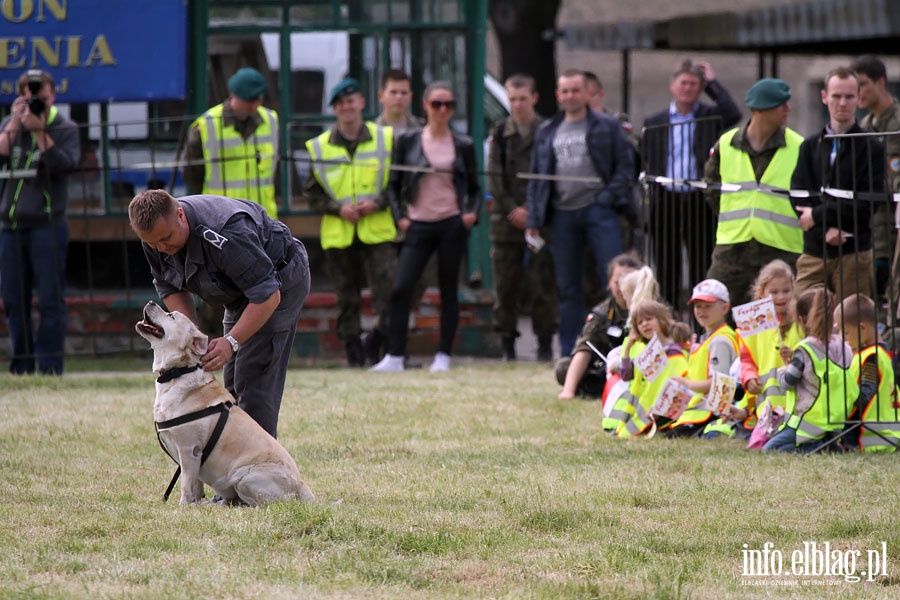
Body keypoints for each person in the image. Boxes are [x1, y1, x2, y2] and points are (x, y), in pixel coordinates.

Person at [128, 190, 311, 439]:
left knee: (253, 380)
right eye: (152, 244)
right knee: (233, 384)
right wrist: (192, 334)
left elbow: (267, 294)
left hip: (280, 280)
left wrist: (231, 342)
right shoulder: (155, 234)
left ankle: (259, 468)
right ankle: (235, 460)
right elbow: (169, 286)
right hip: (240, 291)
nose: (161, 248)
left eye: (166, 238)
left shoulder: (226, 233)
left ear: (180, 215)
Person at [370, 81, 482, 373]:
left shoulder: (464, 144)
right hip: (418, 224)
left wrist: (471, 214)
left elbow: (476, 188)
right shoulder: (408, 140)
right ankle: (394, 355)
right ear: (425, 105)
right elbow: (393, 185)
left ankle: (443, 355)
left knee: (447, 291)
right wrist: (400, 218)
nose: (443, 110)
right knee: (400, 288)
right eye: (437, 104)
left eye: (449, 105)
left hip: (451, 223)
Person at [526, 68, 634, 357]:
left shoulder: (606, 125)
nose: (571, 96)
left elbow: (626, 167)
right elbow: (537, 178)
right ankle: (571, 351)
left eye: (576, 90)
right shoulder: (548, 130)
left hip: (600, 212)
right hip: (562, 215)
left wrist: (607, 198)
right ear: (558, 95)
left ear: (588, 93)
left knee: (615, 282)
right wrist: (534, 220)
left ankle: (620, 347)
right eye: (565, 91)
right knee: (567, 287)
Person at [304, 78, 397, 367]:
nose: (347, 106)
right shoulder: (318, 146)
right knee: (347, 297)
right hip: (340, 231)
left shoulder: (385, 138)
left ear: (362, 103)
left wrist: (377, 204)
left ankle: (380, 344)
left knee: (388, 291)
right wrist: (337, 209)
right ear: (334, 108)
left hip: (377, 228)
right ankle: (354, 353)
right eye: (341, 103)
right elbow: (312, 193)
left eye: (351, 100)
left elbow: (396, 183)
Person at [641, 59, 741, 308]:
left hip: (698, 199)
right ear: (672, 85)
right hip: (666, 198)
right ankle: (668, 317)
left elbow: (733, 113)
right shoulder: (654, 121)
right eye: (683, 83)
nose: (687, 88)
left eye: (694, 84)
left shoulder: (709, 116)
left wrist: (713, 83)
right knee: (666, 265)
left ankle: (701, 319)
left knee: (701, 262)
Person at [0, 69, 80, 375]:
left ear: (52, 94)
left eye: (41, 97)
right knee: (13, 300)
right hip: (10, 225)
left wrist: (39, 131)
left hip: (47, 224)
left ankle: (49, 365)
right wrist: (14, 123)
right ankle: (21, 363)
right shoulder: (13, 124)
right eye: (29, 96)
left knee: (49, 300)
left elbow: (65, 165)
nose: (36, 102)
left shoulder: (65, 126)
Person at [704, 78, 804, 308]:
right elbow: (712, 189)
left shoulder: (799, 146)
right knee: (716, 309)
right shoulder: (726, 144)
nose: (788, 110)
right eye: (781, 105)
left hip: (782, 248)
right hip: (732, 250)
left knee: (783, 319)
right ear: (761, 109)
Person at [791, 67, 886, 300]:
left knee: (852, 324)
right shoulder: (810, 146)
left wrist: (819, 216)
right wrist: (826, 228)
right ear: (824, 97)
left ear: (858, 99)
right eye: (836, 96)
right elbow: (800, 196)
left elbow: (867, 203)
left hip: (854, 251)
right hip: (815, 251)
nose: (842, 103)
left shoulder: (871, 147)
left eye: (849, 96)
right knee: (805, 317)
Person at [487, 73, 557, 362]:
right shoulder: (501, 133)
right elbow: (493, 178)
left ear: (534, 98)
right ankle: (506, 344)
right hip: (506, 222)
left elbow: (552, 176)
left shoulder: (548, 131)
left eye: (522, 98)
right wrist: (512, 209)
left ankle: (543, 343)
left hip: (540, 220)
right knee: (505, 286)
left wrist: (532, 212)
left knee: (543, 283)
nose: (517, 104)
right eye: (512, 98)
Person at [706, 259, 801, 439]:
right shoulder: (753, 326)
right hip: (766, 406)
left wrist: (795, 356)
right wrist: (749, 378)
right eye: (774, 292)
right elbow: (747, 360)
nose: (781, 297)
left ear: (793, 289)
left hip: (796, 405)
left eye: (786, 291)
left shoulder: (801, 320)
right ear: (761, 293)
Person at [762, 287, 857, 452]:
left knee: (769, 449)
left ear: (801, 319)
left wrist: (782, 370)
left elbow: (787, 383)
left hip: (808, 420)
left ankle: (819, 448)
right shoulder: (844, 345)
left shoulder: (805, 349)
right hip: (836, 418)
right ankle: (826, 444)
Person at [182, 67, 281, 218]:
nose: (253, 106)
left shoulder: (271, 120)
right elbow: (192, 173)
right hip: (221, 217)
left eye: (258, 100)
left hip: (263, 217)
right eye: (248, 101)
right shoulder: (207, 125)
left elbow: (275, 168)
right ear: (233, 95)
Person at [556, 253, 642, 400]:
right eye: (618, 282)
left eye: (629, 282)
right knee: (564, 368)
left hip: (642, 368)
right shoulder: (602, 313)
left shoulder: (652, 308)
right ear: (609, 283)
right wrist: (568, 391)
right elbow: (584, 349)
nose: (623, 288)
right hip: (611, 368)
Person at [850, 56, 900, 305]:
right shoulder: (863, 128)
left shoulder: (897, 122)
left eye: (862, 84)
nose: (857, 94)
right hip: (874, 231)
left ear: (880, 82)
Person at [668, 279, 739, 437]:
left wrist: (686, 384)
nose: (701, 311)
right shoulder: (709, 338)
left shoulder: (720, 340)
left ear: (725, 308)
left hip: (710, 412)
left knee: (674, 435)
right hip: (698, 408)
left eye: (708, 306)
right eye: (698, 306)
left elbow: (719, 384)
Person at [613, 299, 689, 437]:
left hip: (669, 413)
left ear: (662, 320)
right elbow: (626, 375)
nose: (645, 324)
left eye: (649, 319)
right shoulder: (646, 352)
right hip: (645, 414)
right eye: (640, 322)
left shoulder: (673, 349)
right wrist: (628, 346)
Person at [836, 293, 899, 452]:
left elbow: (864, 395)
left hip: (868, 439)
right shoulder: (879, 354)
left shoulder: (872, 358)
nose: (844, 339)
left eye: (846, 333)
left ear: (862, 328)